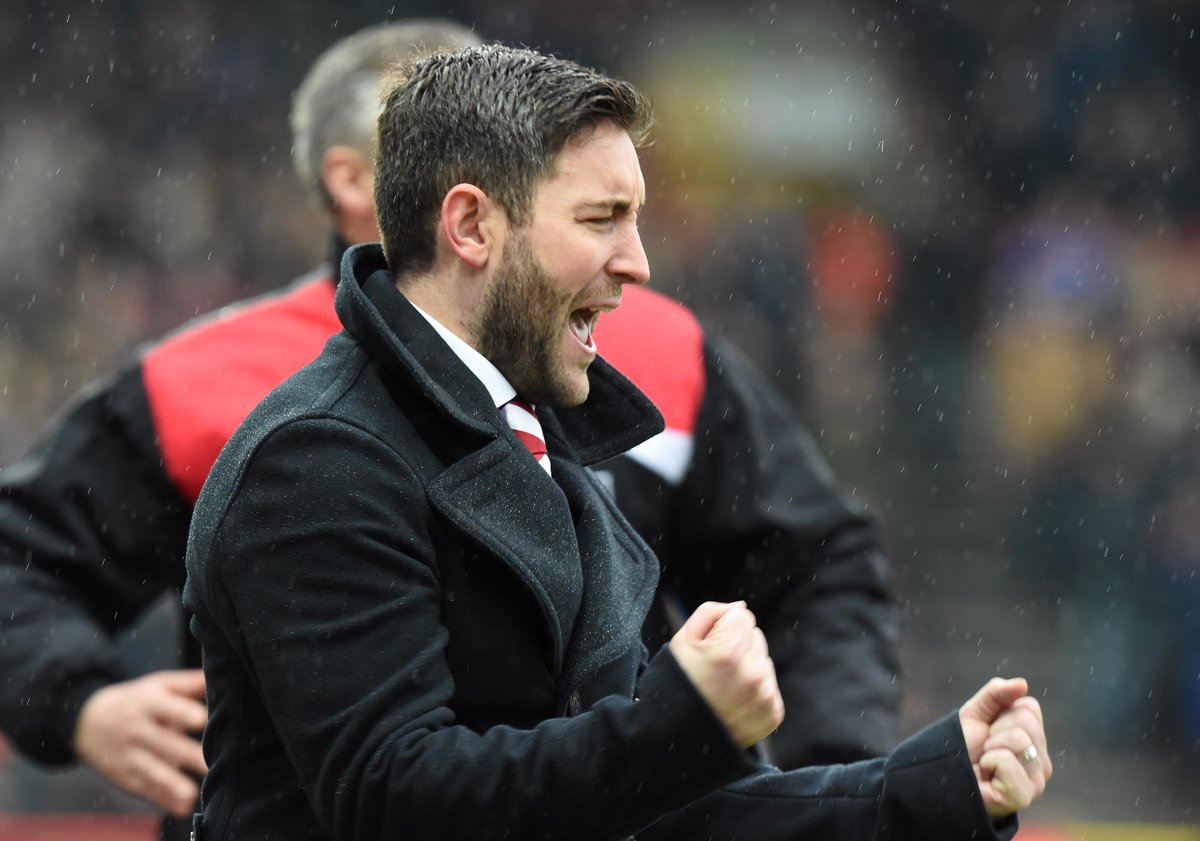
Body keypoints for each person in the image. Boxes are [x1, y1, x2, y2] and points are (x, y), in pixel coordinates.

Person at [0, 18, 902, 832]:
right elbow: (20, 557)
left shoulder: (645, 353)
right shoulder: (217, 383)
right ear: (365, 180)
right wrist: (77, 700)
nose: (628, 260)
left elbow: (818, 570)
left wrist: (843, 784)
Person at [182, 42, 1050, 840]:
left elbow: (650, 812)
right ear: (472, 226)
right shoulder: (318, 462)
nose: (638, 262)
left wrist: (929, 789)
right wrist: (676, 723)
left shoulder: (541, 448)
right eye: (602, 219)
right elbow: (397, 802)